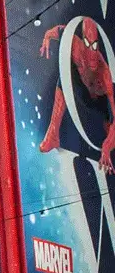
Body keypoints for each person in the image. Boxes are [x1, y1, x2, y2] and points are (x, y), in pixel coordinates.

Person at [39, 18, 115, 172]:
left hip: (99, 103)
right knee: (64, 75)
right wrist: (46, 38)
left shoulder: (104, 73)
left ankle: (108, 150)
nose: (92, 51)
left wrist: (107, 146)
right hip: (82, 91)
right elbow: (55, 31)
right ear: (81, 39)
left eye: (95, 45)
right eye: (88, 44)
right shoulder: (73, 43)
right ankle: (53, 134)